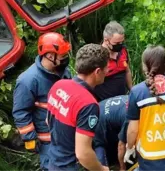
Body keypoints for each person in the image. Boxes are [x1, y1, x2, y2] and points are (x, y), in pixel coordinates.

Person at [94, 96, 165, 171]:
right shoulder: (131, 119)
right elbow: (121, 145)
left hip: (102, 110)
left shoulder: (140, 104)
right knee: (101, 161)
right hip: (98, 126)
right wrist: (122, 168)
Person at [12, 32, 72, 170]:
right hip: (48, 143)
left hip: (66, 136)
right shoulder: (28, 80)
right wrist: (30, 139)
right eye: (63, 56)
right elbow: (21, 112)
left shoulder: (63, 71)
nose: (66, 59)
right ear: (50, 55)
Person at [47, 44, 110, 171]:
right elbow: (83, 154)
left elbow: (48, 121)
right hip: (70, 166)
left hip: (53, 161)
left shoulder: (58, 85)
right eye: (106, 68)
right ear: (97, 72)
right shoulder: (88, 104)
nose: (107, 71)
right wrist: (102, 169)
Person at [94, 21, 133, 101]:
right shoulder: (97, 57)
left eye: (122, 42)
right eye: (117, 43)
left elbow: (127, 71)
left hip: (123, 99)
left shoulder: (123, 51)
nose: (120, 45)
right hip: (105, 103)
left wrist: (132, 91)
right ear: (106, 40)